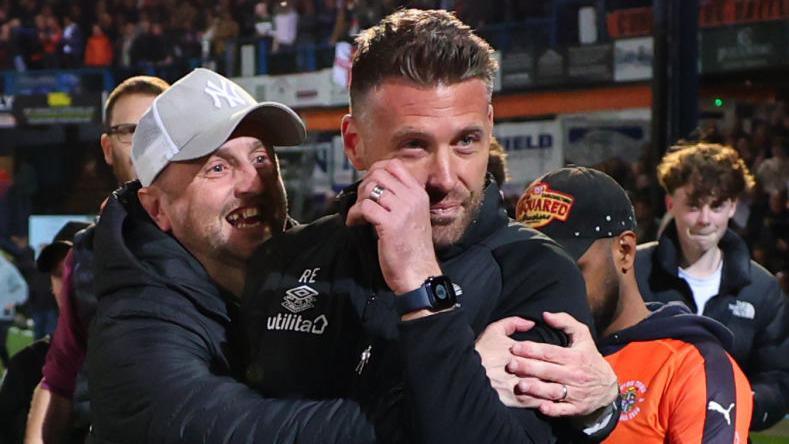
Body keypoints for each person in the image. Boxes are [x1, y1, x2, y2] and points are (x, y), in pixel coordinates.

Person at [242, 9, 618, 443]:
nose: (444, 177)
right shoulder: (285, 260)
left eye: (466, 141)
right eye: (414, 146)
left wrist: (422, 283)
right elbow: (219, 420)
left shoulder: (534, 272)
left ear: (489, 128)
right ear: (354, 144)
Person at [87, 68, 382, 443]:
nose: (252, 183)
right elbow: (230, 431)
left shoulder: (317, 267)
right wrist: (416, 414)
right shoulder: (133, 327)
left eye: (260, 158)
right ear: (157, 208)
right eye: (218, 167)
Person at [517, 166, 753, 442]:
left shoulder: (691, 366)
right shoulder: (519, 356)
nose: (553, 289)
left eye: (571, 271)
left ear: (625, 251)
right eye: (538, 274)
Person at [25, 76, 170, 444]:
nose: (145, 142)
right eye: (130, 131)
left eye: (159, 127)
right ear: (107, 148)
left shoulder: (222, 231)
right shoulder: (87, 254)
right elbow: (59, 380)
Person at [635, 142, 789, 431]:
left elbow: (778, 378)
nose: (705, 219)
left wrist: (739, 403)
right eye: (693, 205)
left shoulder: (762, 289)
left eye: (716, 206)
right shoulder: (633, 273)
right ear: (671, 204)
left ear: (732, 206)